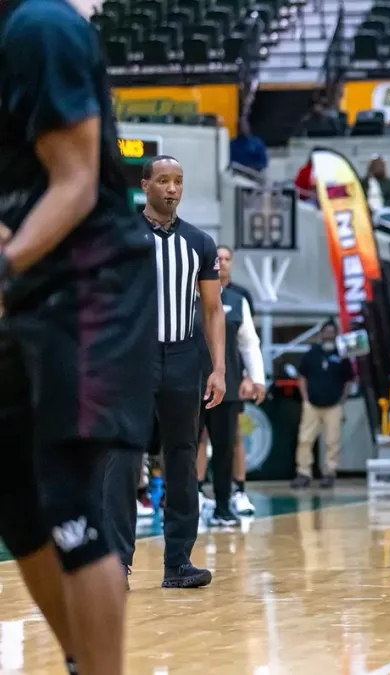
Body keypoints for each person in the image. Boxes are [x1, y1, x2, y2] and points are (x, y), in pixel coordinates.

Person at [0, 0, 157, 670]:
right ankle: (80, 659)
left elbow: (74, 183)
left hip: (92, 287)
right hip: (31, 285)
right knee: (16, 500)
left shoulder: (43, 26)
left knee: (68, 494)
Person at [101, 155, 226, 592]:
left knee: (181, 457)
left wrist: (219, 369)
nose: (172, 188)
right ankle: (117, 563)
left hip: (183, 357)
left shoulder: (199, 241)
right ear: (146, 185)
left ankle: (179, 562)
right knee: (123, 459)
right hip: (132, 359)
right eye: (164, 181)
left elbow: (212, 310)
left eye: (178, 181)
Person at [197, 245, 266, 526]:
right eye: (217, 259)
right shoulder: (188, 297)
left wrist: (257, 377)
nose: (221, 264)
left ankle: (225, 504)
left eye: (226, 259)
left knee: (226, 445)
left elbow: (249, 342)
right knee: (186, 444)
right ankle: (189, 501)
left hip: (227, 385)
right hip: (190, 384)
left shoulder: (238, 300)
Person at [293, 321, 354, 488]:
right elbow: (302, 376)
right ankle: (303, 473)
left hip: (333, 405)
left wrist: (342, 400)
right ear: (321, 334)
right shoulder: (311, 354)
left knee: (332, 440)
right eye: (326, 331)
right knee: (305, 439)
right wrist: (305, 397)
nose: (328, 334)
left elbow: (349, 380)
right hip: (312, 404)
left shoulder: (342, 355)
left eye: (331, 332)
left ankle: (330, 472)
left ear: (336, 334)